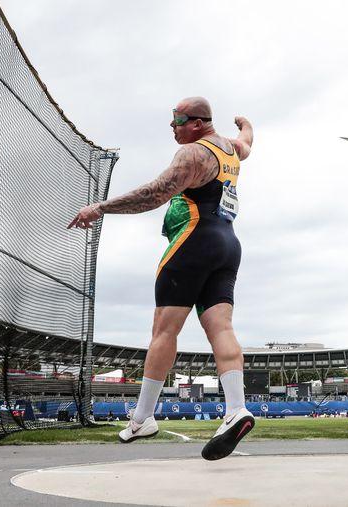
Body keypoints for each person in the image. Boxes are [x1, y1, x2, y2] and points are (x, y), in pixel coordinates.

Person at [68, 97, 254, 461]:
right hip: (228, 245)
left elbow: (154, 194)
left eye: (178, 121)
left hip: (194, 241)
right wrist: (244, 123)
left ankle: (142, 418)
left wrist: (99, 208)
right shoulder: (231, 149)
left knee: (164, 330)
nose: (172, 128)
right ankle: (236, 408)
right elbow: (248, 142)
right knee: (221, 327)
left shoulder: (194, 155)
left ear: (198, 123)